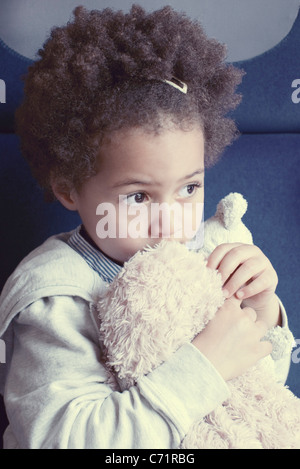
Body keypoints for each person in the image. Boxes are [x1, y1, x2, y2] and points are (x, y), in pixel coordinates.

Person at [0, 5, 293, 449]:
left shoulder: (205, 256)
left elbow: (259, 396)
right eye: (138, 196)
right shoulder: (56, 297)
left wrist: (260, 310)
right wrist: (205, 365)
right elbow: (64, 439)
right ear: (68, 188)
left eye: (189, 188)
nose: (171, 221)